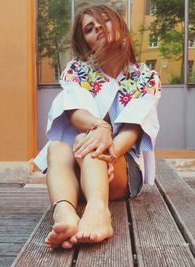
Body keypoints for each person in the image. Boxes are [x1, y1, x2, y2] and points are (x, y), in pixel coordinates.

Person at [34, 4, 161, 249]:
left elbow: (132, 129)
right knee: (57, 147)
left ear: (121, 27)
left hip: (120, 169)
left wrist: (107, 156)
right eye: (90, 28)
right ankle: (65, 214)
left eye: (105, 21)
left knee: (86, 142)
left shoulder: (146, 77)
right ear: (86, 42)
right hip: (77, 170)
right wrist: (100, 127)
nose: (98, 28)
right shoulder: (77, 71)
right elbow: (74, 111)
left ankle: (98, 212)